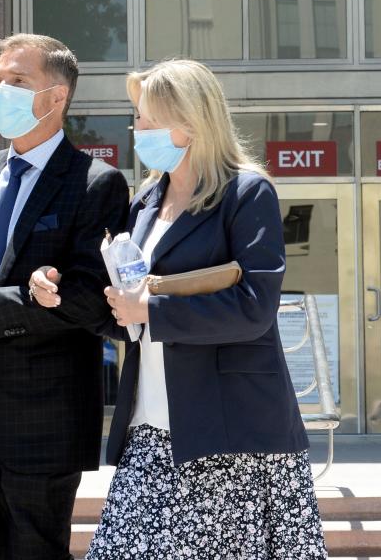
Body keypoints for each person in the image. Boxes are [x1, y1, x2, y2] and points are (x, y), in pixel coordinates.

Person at [31, 58, 328, 560]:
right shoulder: (146, 199)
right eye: (138, 118)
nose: (136, 129)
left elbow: (255, 307)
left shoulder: (246, 192)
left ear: (189, 124)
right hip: (150, 426)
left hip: (230, 434)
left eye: (147, 120)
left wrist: (151, 309)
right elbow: (127, 307)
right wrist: (61, 294)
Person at [0, 33, 129, 559]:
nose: (0, 93)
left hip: (45, 417)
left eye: (18, 82)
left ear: (56, 98)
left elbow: (92, 300)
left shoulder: (96, 183)